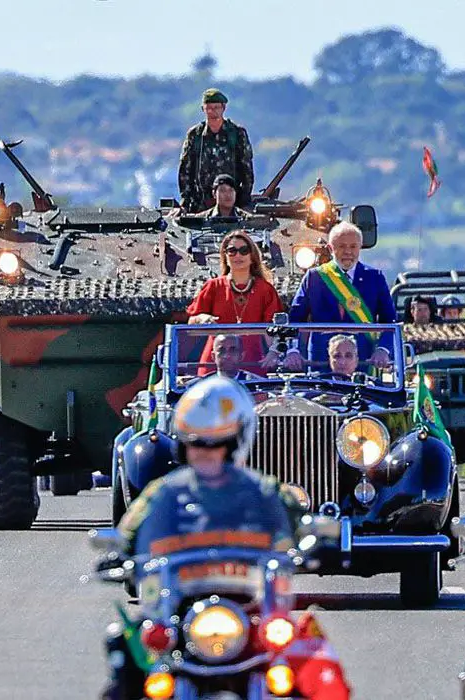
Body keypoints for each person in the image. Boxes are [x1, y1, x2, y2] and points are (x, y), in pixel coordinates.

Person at [101, 376, 304, 699]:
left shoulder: (267, 491)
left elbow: (300, 527)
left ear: (237, 443)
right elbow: (130, 532)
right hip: (180, 606)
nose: (204, 453)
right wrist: (118, 550)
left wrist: (319, 540)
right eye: (195, 443)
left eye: (216, 444)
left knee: (310, 654)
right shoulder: (162, 493)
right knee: (125, 645)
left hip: (251, 606)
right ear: (183, 445)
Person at [286, 222, 397, 368]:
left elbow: (389, 320)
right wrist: (292, 350)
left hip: (364, 360)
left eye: (353, 246)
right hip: (322, 361)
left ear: (360, 248)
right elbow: (295, 319)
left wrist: (383, 349)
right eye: (342, 246)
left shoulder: (374, 277)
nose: (348, 252)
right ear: (331, 249)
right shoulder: (315, 277)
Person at [187, 231, 284, 373]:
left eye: (244, 251)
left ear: (252, 257)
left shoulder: (265, 290)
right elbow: (190, 323)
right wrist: (202, 318)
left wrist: (273, 352)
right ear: (225, 257)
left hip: (252, 364)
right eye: (232, 251)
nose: (238, 255)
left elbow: (272, 329)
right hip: (214, 365)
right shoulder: (213, 286)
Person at [178, 88, 254, 212]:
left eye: (216, 108)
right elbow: (185, 169)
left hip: (231, 203)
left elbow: (247, 169)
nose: (212, 112)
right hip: (200, 203)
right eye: (208, 108)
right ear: (203, 109)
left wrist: (244, 200)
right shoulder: (195, 135)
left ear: (223, 108)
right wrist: (186, 201)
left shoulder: (236, 133)